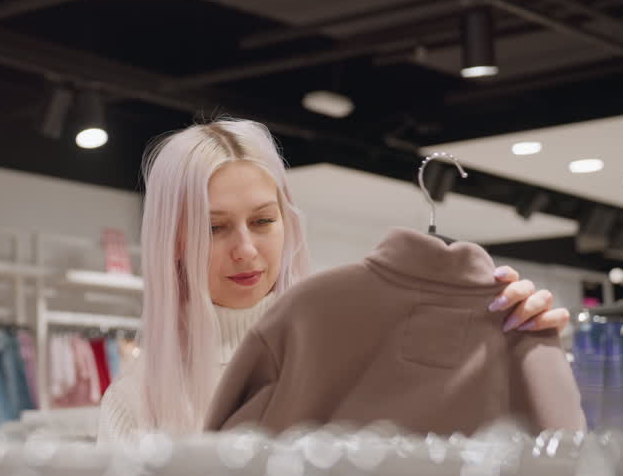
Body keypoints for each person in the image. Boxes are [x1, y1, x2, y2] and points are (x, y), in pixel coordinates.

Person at [97, 117, 571, 444]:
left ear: (288, 222)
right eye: (213, 227)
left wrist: (520, 340)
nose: (245, 249)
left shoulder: (360, 344)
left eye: (263, 221)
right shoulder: (135, 403)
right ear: (172, 241)